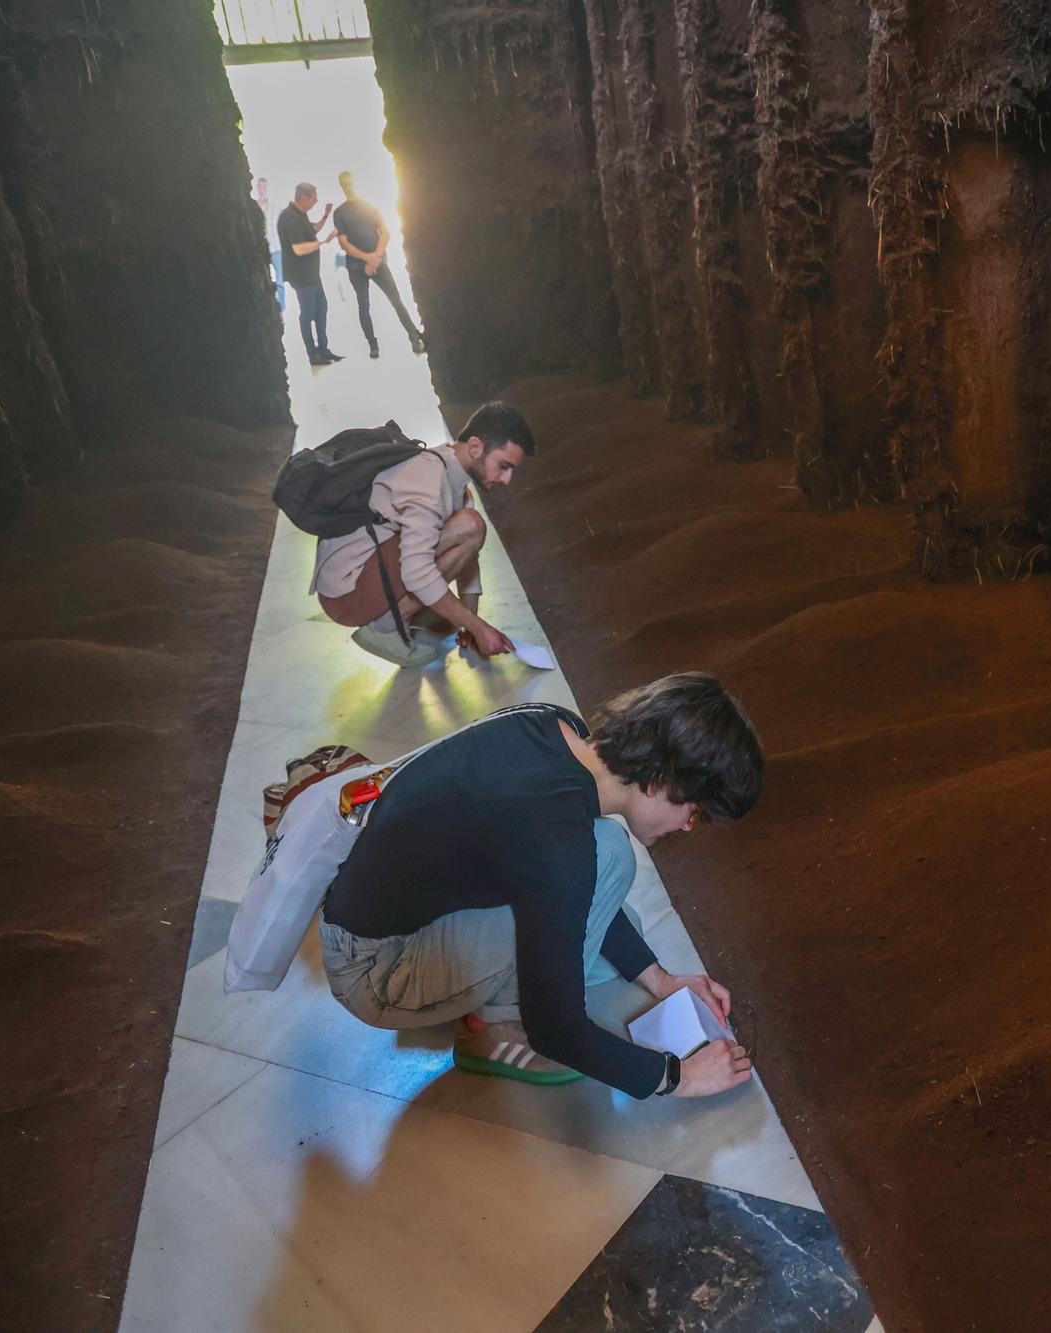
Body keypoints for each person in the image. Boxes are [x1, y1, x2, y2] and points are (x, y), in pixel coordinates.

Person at [318, 676, 761, 1098]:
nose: (687, 826)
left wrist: (661, 981)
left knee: (607, 865)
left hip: (375, 916)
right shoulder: (556, 839)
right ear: (663, 782)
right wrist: (677, 1076)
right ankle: (496, 1030)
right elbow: (555, 1029)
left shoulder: (553, 724)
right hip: (378, 972)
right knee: (603, 867)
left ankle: (482, 998)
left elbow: (565, 877)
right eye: (696, 812)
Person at [310, 401, 534, 667]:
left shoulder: (455, 482)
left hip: (367, 574)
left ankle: (400, 615)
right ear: (475, 447)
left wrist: (469, 623)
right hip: (345, 593)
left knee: (469, 530)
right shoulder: (430, 479)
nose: (507, 479)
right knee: (470, 526)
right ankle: (384, 628)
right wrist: (481, 628)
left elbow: (469, 555)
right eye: (504, 466)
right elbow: (416, 572)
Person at [332, 170, 426, 358]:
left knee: (396, 300)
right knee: (363, 305)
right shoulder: (340, 213)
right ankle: (373, 345)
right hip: (357, 268)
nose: (348, 187)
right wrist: (367, 259)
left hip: (378, 262)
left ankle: (414, 337)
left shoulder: (370, 207)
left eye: (350, 183)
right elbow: (343, 243)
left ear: (355, 183)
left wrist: (375, 257)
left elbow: (385, 232)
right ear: (341, 187)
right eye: (344, 184)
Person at [276, 181, 342, 365]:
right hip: (301, 276)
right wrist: (324, 242)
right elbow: (298, 249)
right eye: (314, 198)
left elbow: (312, 229)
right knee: (308, 312)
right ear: (304, 198)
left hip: (311, 274)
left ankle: (323, 349)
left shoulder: (300, 215)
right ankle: (313, 355)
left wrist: (326, 216)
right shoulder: (289, 218)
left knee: (321, 308)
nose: (316, 201)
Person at [252, 177, 284, 312]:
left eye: (264, 187)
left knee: (280, 280)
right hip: (262, 249)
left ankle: (282, 308)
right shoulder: (254, 207)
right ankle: (268, 308)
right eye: (259, 187)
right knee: (264, 278)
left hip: (276, 248)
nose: (262, 189)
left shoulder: (275, 207)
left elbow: (283, 225)